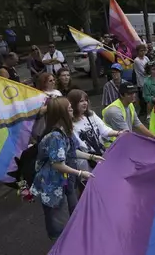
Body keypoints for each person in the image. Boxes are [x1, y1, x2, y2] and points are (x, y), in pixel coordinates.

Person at [30, 97, 103, 240]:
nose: (71, 109)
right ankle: (60, 253)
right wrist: (81, 172)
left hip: (65, 182)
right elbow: (57, 164)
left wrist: (91, 157)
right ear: (60, 112)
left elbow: (71, 151)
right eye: (68, 107)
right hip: (52, 185)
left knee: (74, 214)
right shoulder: (55, 136)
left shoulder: (66, 131)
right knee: (60, 224)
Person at [68, 89, 124, 172]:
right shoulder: (70, 123)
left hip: (100, 155)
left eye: (86, 100)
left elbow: (104, 130)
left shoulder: (91, 115)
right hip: (85, 162)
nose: (85, 103)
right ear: (73, 103)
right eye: (81, 101)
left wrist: (118, 133)